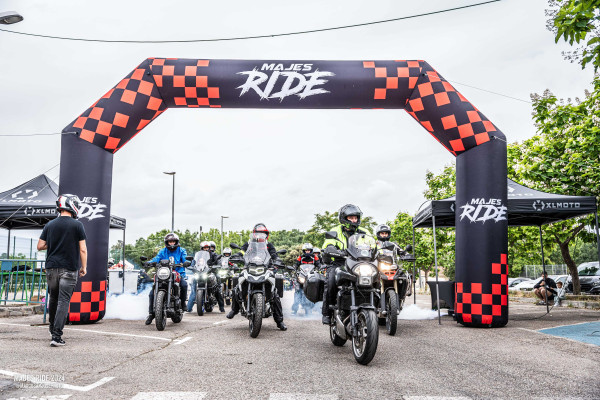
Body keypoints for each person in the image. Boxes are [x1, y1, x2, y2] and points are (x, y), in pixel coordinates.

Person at [37, 194, 87, 347]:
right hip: (69, 268)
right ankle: (57, 336)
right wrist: (84, 267)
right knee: (63, 301)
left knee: (53, 298)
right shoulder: (77, 225)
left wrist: (54, 243)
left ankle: (52, 329)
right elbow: (83, 249)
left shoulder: (50, 224)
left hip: (51, 268)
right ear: (72, 206)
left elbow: (40, 246)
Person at [227, 223, 287, 330]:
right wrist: (237, 255)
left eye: (262, 233)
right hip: (249, 268)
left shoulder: (269, 245)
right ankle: (234, 310)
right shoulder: (248, 244)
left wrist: (277, 260)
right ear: (254, 234)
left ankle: (279, 321)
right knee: (236, 288)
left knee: (275, 294)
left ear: (266, 235)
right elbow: (242, 251)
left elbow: (274, 254)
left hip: (265, 269)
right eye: (258, 233)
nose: (260, 235)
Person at [321, 204, 371, 325]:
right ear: (344, 218)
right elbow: (328, 244)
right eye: (351, 218)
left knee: (374, 279)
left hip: (359, 263)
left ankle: (377, 309)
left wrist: (379, 252)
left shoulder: (364, 232)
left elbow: (373, 245)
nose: (354, 220)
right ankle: (327, 311)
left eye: (355, 218)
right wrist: (331, 248)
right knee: (331, 281)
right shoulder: (335, 231)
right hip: (340, 262)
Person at [145, 233, 189, 325]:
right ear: (167, 242)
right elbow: (156, 258)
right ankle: (151, 313)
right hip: (164, 273)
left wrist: (187, 262)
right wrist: (149, 262)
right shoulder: (163, 251)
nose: (172, 243)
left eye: (173, 241)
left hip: (178, 273)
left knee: (184, 285)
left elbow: (185, 258)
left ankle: (183, 303)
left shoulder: (181, 250)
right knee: (152, 293)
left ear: (176, 242)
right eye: (170, 242)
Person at [292, 243, 321, 315]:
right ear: (304, 251)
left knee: (318, 288)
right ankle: (294, 309)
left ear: (311, 250)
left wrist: (320, 267)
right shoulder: (300, 257)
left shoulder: (315, 257)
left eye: (308, 250)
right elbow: (296, 264)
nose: (307, 251)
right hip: (302, 275)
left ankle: (319, 308)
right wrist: (294, 267)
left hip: (311, 275)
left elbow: (318, 264)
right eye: (306, 250)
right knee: (297, 291)